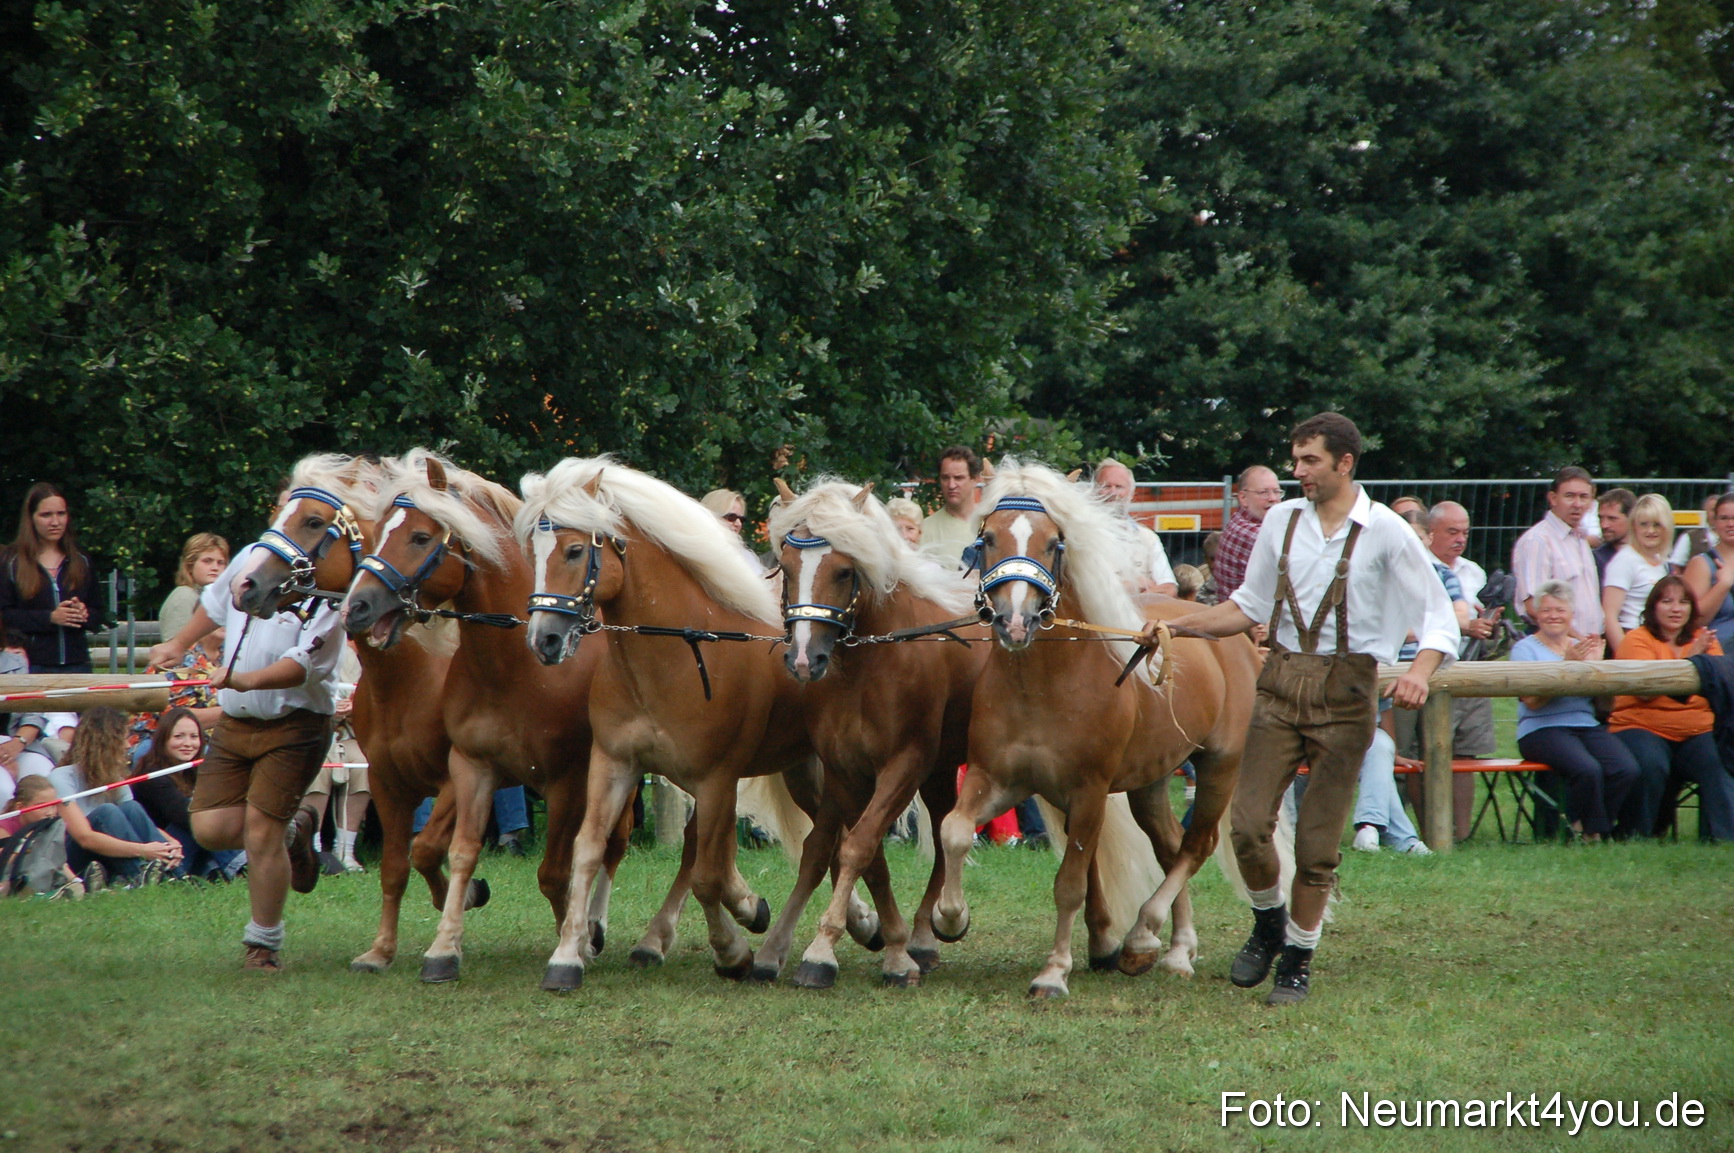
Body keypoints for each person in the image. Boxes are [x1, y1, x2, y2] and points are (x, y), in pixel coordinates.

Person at [1153, 412, 1459, 1005]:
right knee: (1246, 826)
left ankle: (1297, 959)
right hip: (1281, 680)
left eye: (1310, 460)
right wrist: (1180, 627)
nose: (1298, 472)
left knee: (1317, 846)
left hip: (1348, 691)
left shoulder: (1387, 531)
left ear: (1345, 463)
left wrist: (1419, 673)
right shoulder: (1282, 520)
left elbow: (1439, 617)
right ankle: (1269, 922)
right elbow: (1246, 604)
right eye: (1295, 460)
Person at [146, 527, 345, 972]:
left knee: (260, 832)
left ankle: (263, 946)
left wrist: (243, 680)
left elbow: (304, 666)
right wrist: (178, 643)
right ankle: (294, 830)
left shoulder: (330, 586)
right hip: (236, 722)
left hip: (295, 726)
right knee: (210, 828)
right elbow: (216, 604)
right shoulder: (253, 556)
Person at [1509, 582, 1641, 841]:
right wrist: (1566, 668)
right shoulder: (1525, 649)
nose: (1553, 616)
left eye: (1560, 610)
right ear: (1537, 615)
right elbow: (1532, 701)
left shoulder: (1583, 646)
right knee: (1587, 769)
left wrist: (1598, 669)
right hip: (1541, 727)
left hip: (1585, 724)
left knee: (1626, 768)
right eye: (1546, 610)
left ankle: (1585, 825)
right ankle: (1592, 833)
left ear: (1571, 614)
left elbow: (1604, 704)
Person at [1607, 576, 1734, 841]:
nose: (1676, 609)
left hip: (1696, 728)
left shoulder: (1705, 639)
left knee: (1719, 758)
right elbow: (1645, 692)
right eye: (1667, 601)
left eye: (1683, 602)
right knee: (1651, 763)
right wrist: (1692, 659)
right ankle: (1637, 835)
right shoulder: (1637, 640)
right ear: (1653, 607)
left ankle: (1723, 838)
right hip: (1641, 725)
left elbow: (1718, 687)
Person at [45, 706, 186, 885]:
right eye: (122, 740)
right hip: (75, 856)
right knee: (107, 812)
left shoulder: (115, 778)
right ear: (103, 744)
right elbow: (84, 838)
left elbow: (138, 821)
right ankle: (144, 877)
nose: (128, 746)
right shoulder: (61, 777)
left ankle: (177, 878)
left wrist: (170, 844)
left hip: (113, 852)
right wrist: (143, 850)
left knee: (131, 807)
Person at [0, 483, 103, 673]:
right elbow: (6, 615)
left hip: (77, 664)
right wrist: (50, 618)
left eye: (61, 514)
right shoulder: (12, 562)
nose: (55, 522)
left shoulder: (80, 559)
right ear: (31, 518)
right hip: (30, 664)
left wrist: (84, 614)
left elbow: (98, 611)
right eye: (46, 515)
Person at [134, 706, 246, 881]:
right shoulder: (152, 776)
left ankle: (216, 871)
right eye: (179, 736)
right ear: (163, 739)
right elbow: (186, 816)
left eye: (194, 737)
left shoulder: (194, 769)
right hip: (161, 850)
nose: (188, 743)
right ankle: (242, 867)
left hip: (193, 847)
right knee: (197, 819)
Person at [1512, 467, 1603, 637]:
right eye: (1570, 496)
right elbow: (1534, 606)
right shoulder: (1538, 541)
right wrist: (1579, 640)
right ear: (1553, 498)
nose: (1577, 504)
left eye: (1584, 497)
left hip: (1586, 644)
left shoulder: (1580, 538)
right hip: (1553, 643)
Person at [1602, 494, 1675, 656]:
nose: (1650, 531)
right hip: (1633, 640)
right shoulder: (1625, 560)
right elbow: (1609, 616)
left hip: (1657, 642)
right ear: (1634, 526)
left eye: (1657, 524)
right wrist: (1626, 655)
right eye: (1644, 524)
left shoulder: (1662, 562)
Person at [1093, 459, 1178, 596]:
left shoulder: (1148, 538)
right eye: (1106, 486)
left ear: (1131, 494)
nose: (1112, 492)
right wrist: (1135, 585)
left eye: (1119, 487)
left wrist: (1132, 594)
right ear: (1094, 491)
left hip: (1145, 610)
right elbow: (1091, 590)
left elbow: (1169, 589)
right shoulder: (1083, 537)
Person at [1215, 466, 1283, 602]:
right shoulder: (1253, 534)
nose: (1273, 498)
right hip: (1248, 614)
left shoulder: (1238, 520)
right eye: (1263, 492)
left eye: (1277, 492)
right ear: (1243, 498)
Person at [1683, 492, 1734, 648]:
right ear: (1714, 522)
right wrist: (1723, 585)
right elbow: (1693, 619)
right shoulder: (1702, 563)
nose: (1730, 523)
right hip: (1718, 650)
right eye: (1724, 518)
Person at [159, 533, 231, 643]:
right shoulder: (184, 596)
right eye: (207, 561)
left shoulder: (218, 599)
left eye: (220, 563)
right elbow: (175, 644)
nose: (215, 567)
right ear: (190, 565)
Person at [920, 446, 983, 568]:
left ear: (975, 479)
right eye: (945, 478)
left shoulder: (991, 522)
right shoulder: (923, 530)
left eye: (958, 478)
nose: (951, 485)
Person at [701, 489, 762, 569]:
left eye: (741, 519)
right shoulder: (694, 554)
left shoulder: (747, 559)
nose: (739, 524)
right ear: (711, 516)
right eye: (731, 517)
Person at [1593, 488, 1635, 583]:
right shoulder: (1595, 559)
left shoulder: (1650, 556)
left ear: (1631, 518)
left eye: (1612, 518)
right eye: (1600, 518)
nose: (1604, 525)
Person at [1669, 494, 1721, 568]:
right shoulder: (1690, 537)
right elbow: (1675, 565)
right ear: (1705, 512)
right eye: (1713, 510)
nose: (1717, 513)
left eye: (1720, 510)